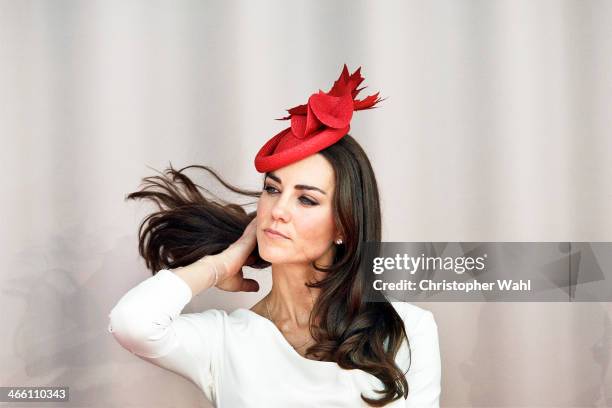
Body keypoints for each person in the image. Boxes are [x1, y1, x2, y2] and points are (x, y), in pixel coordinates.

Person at [108, 65, 441, 407]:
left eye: (306, 199)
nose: (277, 209)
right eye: (271, 189)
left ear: (344, 225)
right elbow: (131, 323)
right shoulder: (225, 340)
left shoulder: (408, 330)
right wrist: (222, 265)